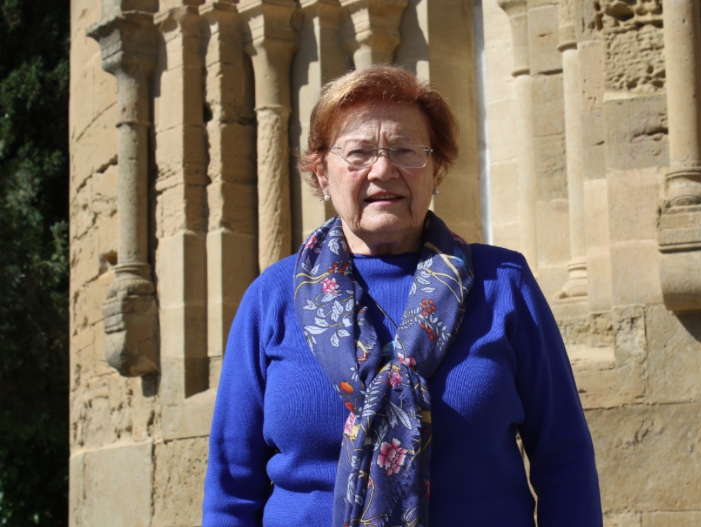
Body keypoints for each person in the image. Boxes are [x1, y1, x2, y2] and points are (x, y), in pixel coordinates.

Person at [202, 65, 602, 527]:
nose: (383, 170)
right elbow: (232, 485)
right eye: (358, 153)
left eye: (405, 151)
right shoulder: (271, 298)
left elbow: (564, 459)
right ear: (321, 175)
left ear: (437, 170)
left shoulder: (502, 284)